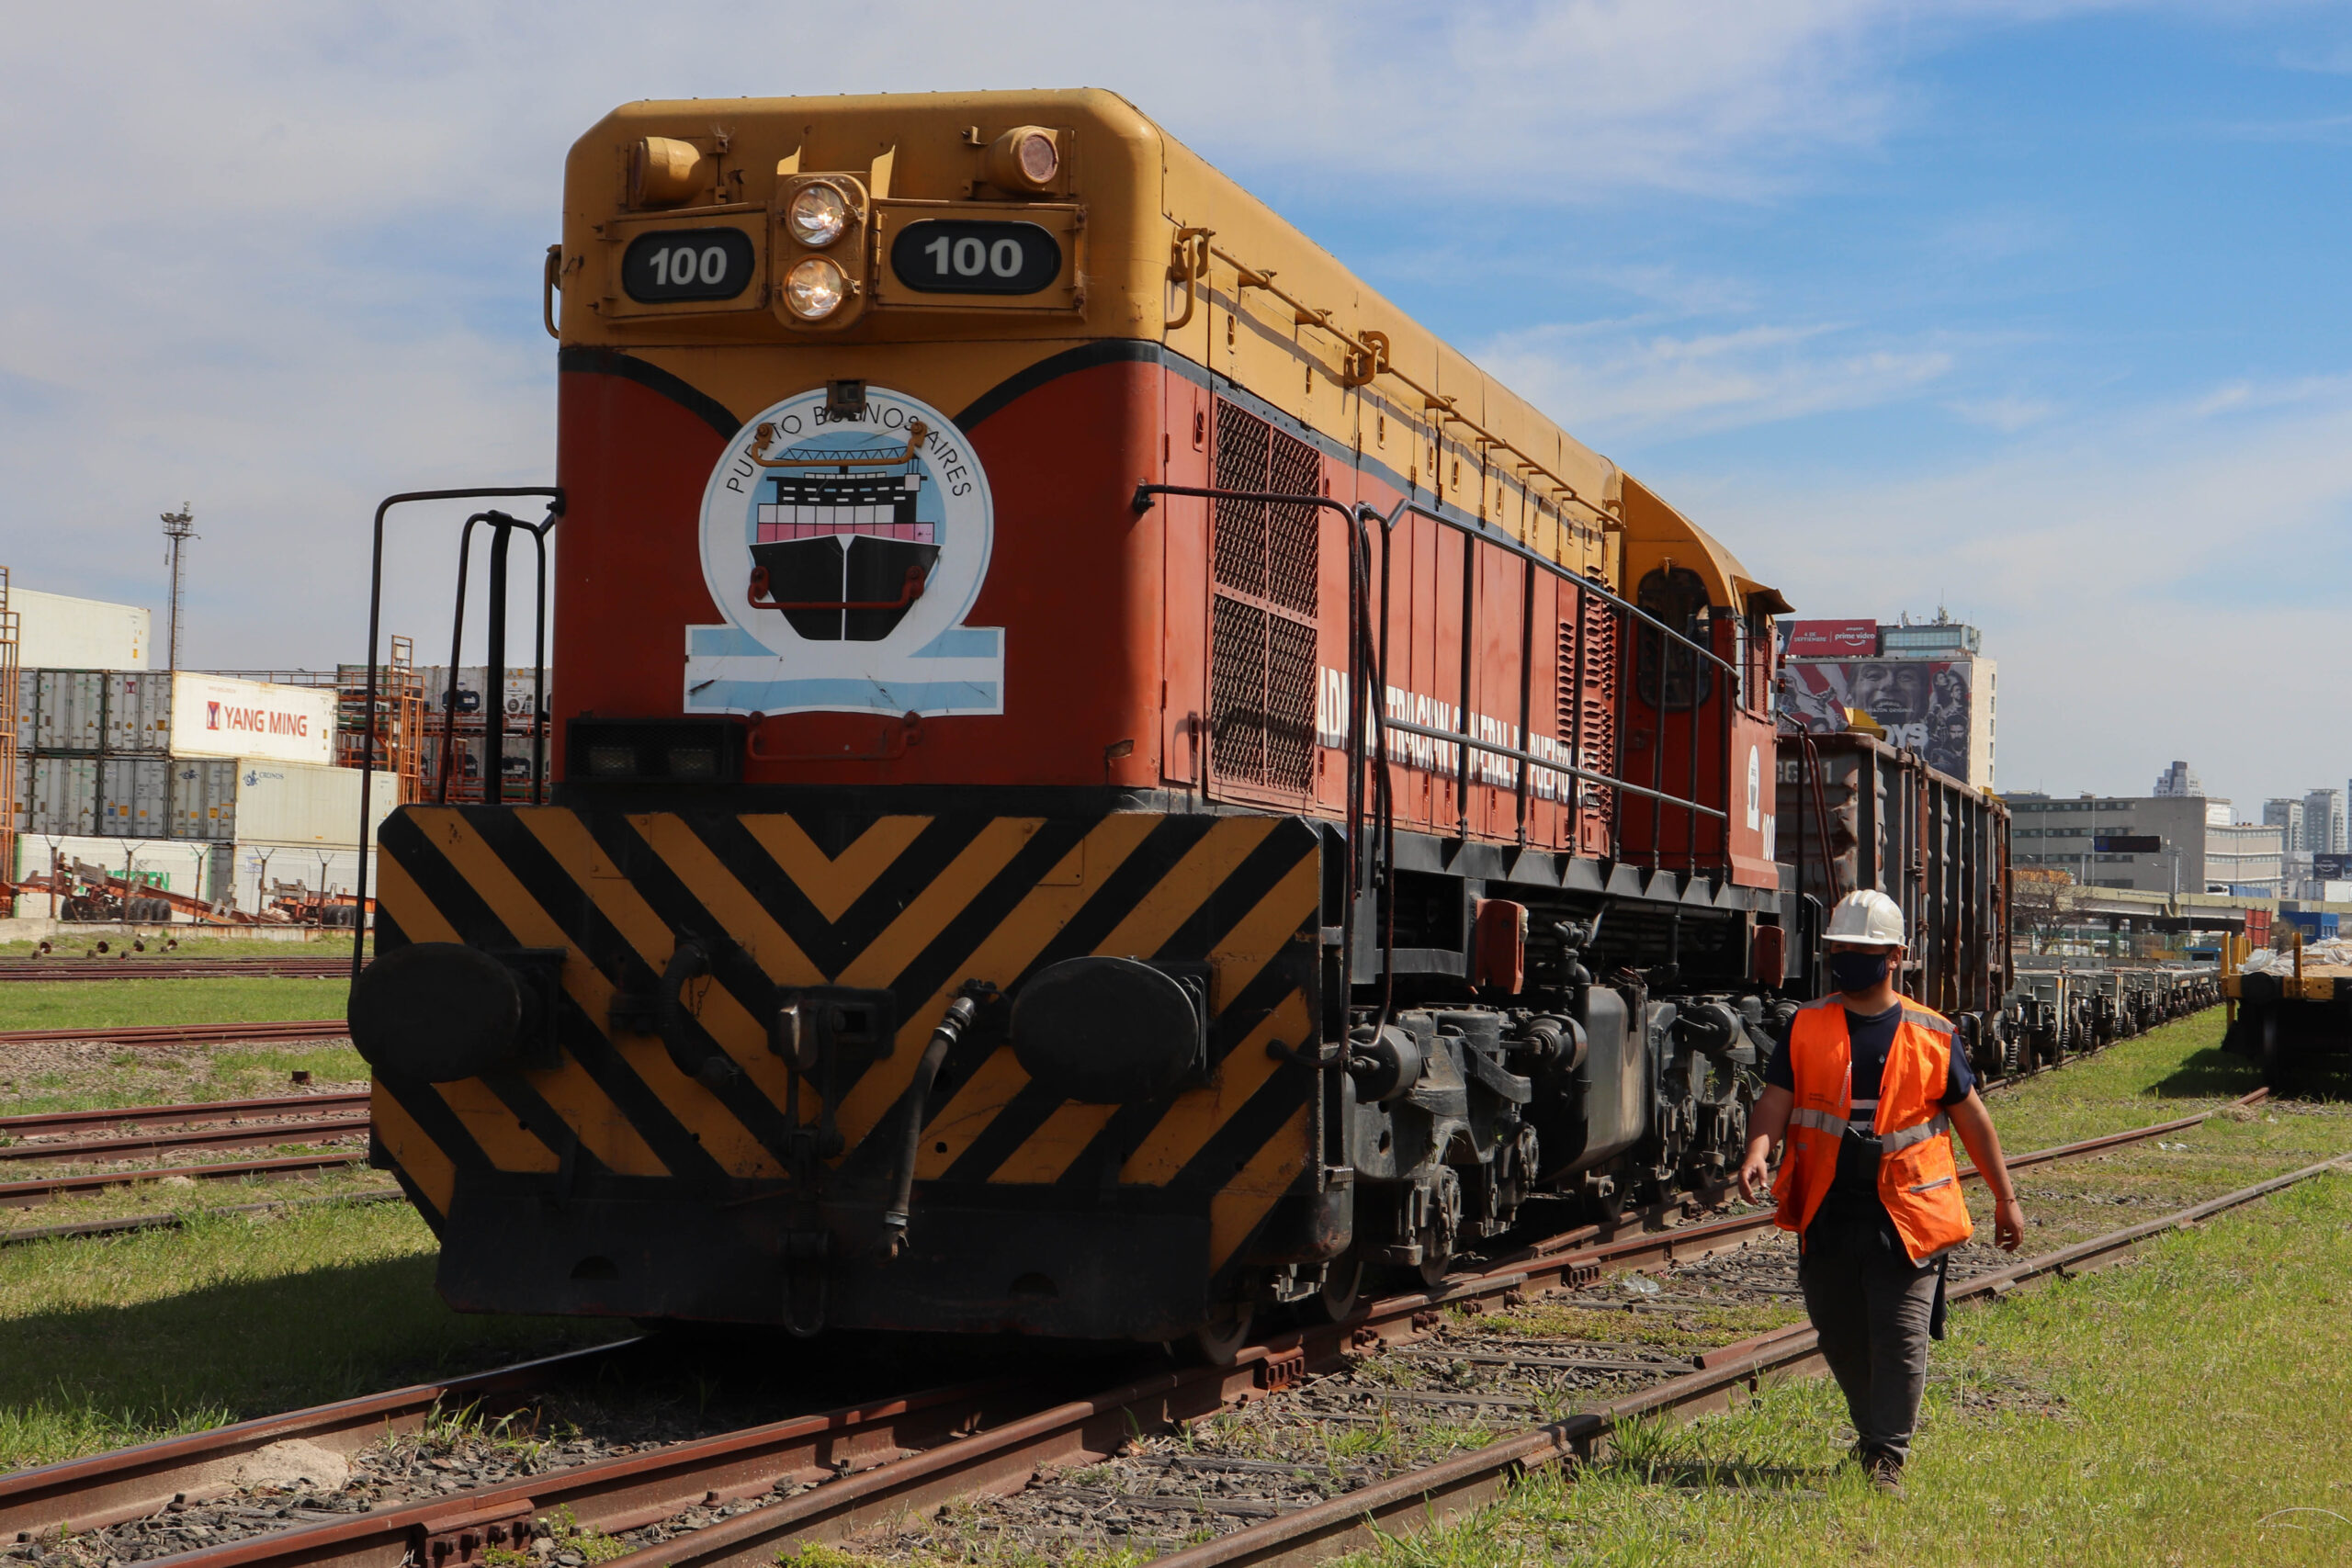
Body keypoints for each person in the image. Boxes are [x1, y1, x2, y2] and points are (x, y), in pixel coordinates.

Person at [1736, 889, 2027, 1497]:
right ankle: (1874, 1436)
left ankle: (1888, 1456)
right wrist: (1758, 1151)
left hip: (1909, 1215)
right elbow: (1775, 1100)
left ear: (1895, 956)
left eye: (1862, 949)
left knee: (1899, 1337)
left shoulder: (1933, 1033)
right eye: (1841, 948)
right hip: (1829, 1207)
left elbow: (1973, 1119)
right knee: (1839, 1333)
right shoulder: (1807, 1024)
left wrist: (2005, 1195)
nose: (1848, 958)